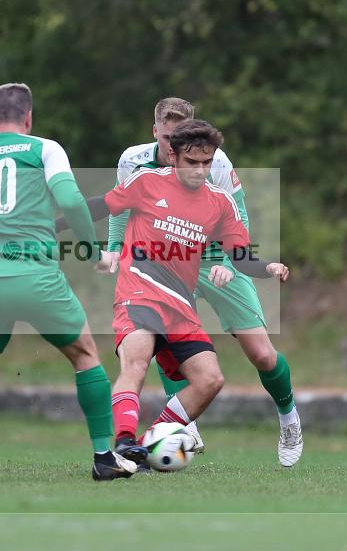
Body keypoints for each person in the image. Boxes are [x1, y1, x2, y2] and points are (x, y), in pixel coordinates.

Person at [58, 119, 290, 469]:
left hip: (179, 305)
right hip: (139, 290)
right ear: (174, 156)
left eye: (206, 162)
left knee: (210, 380)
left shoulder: (220, 203)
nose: (199, 170)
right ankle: (121, 441)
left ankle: (141, 447)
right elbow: (101, 206)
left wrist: (268, 267)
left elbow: (241, 257)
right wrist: (50, 226)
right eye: (192, 162)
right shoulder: (147, 181)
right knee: (136, 359)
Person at [0, 82, 137, 482]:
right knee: (84, 355)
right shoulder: (43, 148)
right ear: (28, 118)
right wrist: (95, 251)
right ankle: (103, 456)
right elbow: (70, 200)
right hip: (35, 277)